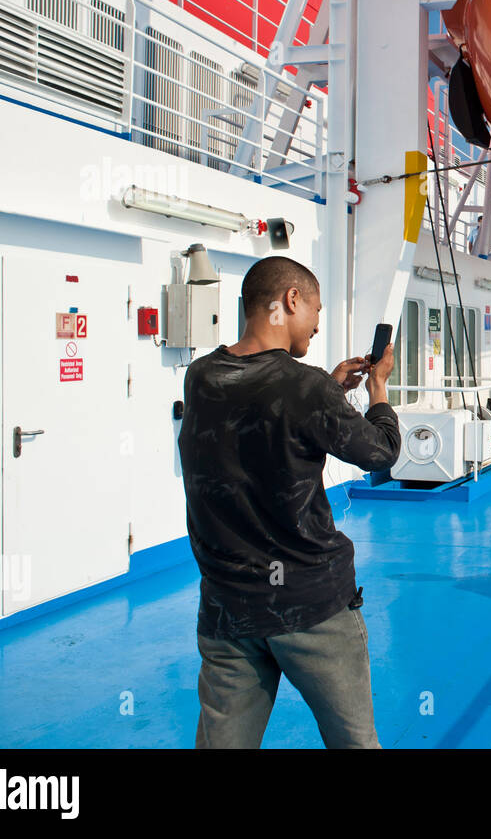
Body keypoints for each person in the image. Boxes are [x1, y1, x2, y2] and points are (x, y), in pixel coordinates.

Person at [178, 256, 400, 748]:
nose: (318, 324)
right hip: (310, 605)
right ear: (291, 301)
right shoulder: (307, 388)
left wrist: (328, 390)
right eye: (316, 309)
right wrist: (377, 390)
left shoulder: (200, 376)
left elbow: (263, 407)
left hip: (227, 608)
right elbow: (380, 453)